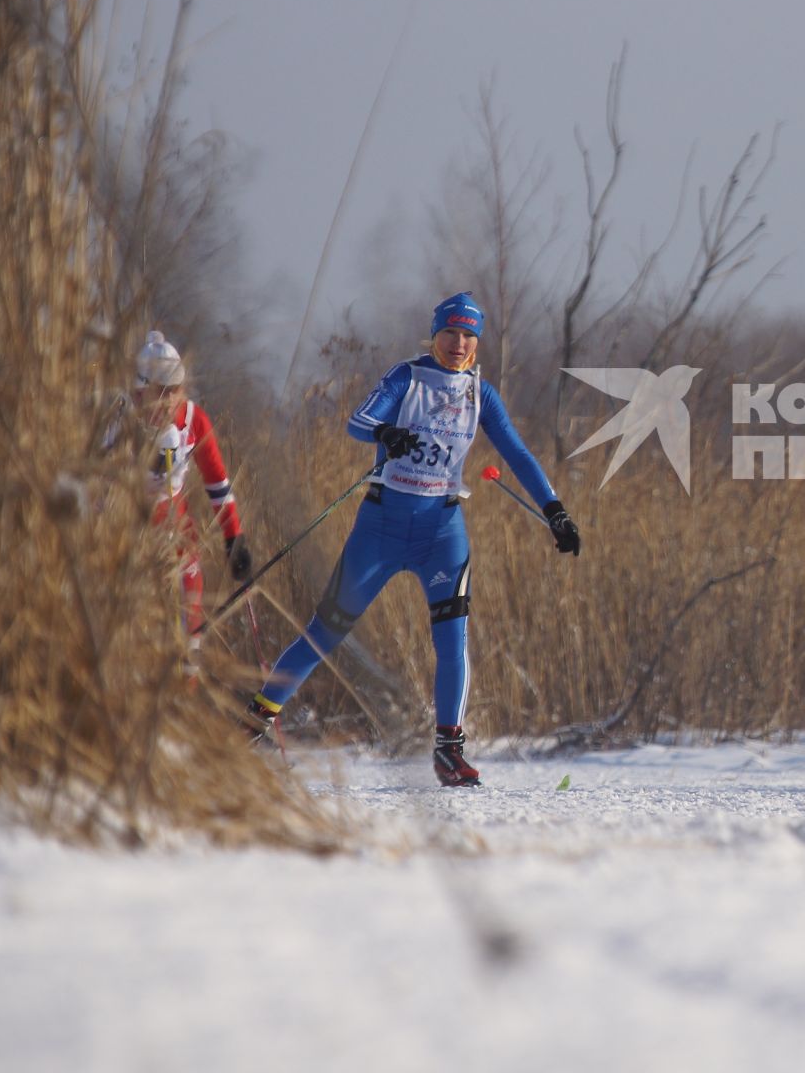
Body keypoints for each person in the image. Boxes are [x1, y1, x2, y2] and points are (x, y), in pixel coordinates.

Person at [248, 293, 581, 787]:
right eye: (450, 333)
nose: (459, 343)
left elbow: (517, 452)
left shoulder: (480, 395)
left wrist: (555, 511)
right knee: (327, 631)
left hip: (441, 530)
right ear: (435, 334)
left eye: (469, 336)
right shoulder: (407, 377)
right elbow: (357, 421)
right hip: (381, 526)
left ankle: (450, 749)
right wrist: (388, 432)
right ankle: (255, 721)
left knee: (452, 640)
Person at [112, 331, 252, 675]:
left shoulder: (194, 420)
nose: (171, 398)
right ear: (141, 388)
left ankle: (184, 680)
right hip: (125, 520)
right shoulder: (119, 417)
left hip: (174, 521)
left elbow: (217, 482)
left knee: (190, 583)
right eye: (162, 390)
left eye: (176, 389)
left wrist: (234, 539)